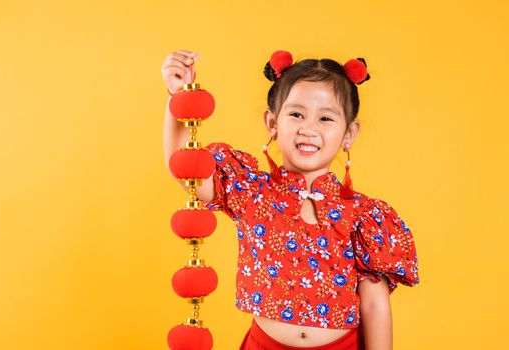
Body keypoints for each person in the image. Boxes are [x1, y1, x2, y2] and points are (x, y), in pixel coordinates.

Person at [162, 49, 420, 350]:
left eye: (326, 118)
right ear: (272, 123)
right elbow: (187, 168)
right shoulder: (251, 191)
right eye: (296, 114)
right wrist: (177, 98)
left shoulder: (363, 215)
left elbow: (375, 307)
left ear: (349, 133)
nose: (308, 128)